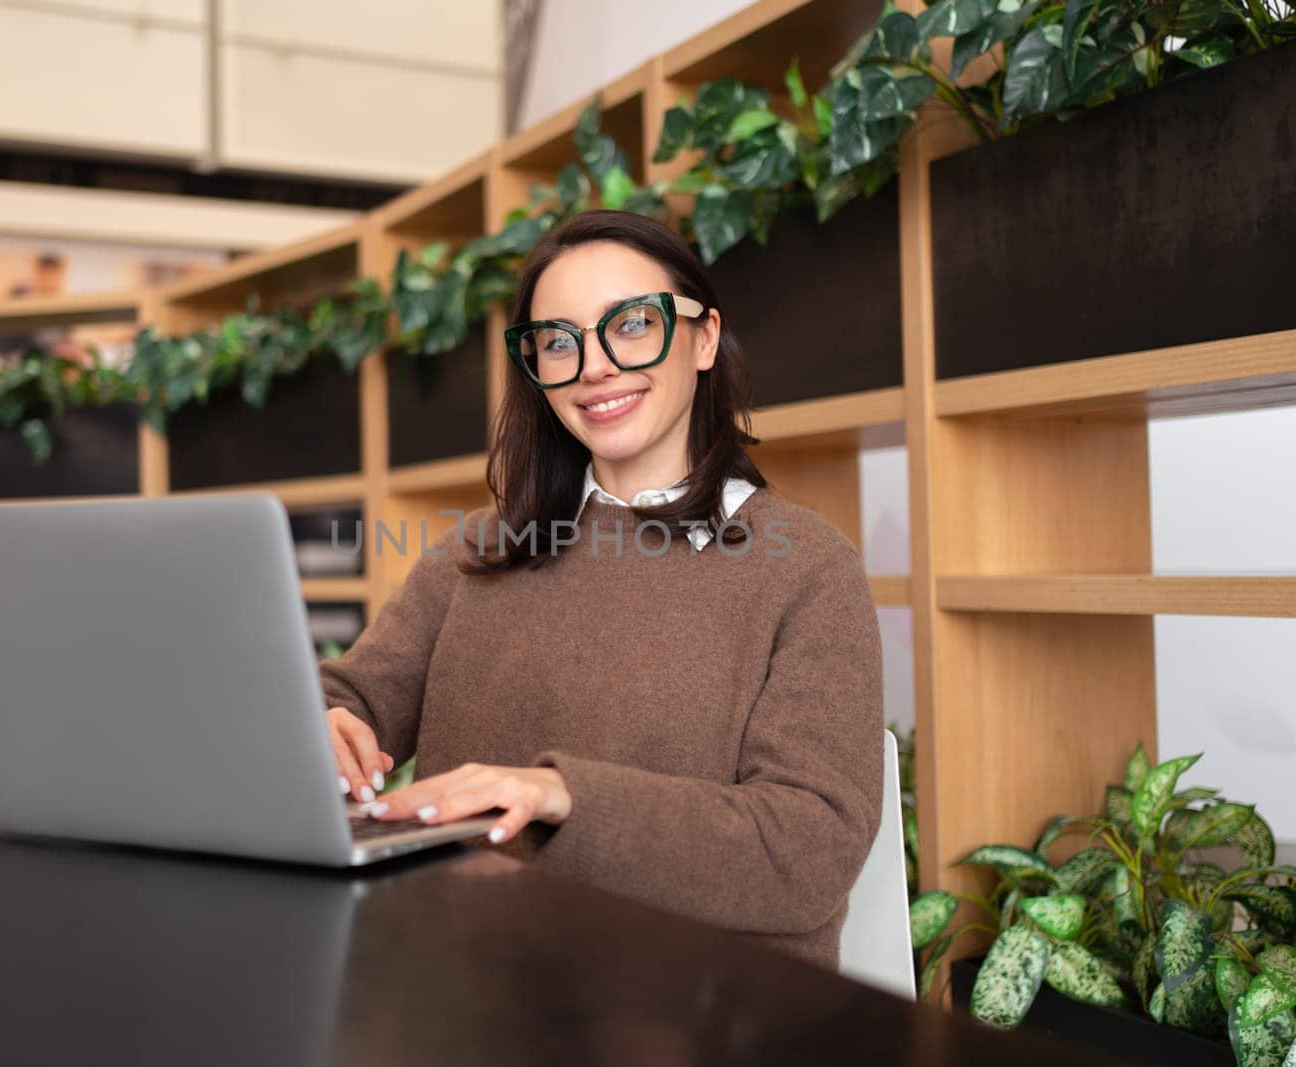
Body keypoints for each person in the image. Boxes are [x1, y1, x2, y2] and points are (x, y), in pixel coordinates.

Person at [319, 209, 884, 971]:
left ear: (705, 337)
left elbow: (807, 848)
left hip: (698, 1008)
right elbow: (352, 697)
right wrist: (325, 724)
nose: (594, 367)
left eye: (631, 324)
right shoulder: (484, 548)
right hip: (465, 978)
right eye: (559, 341)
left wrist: (561, 797)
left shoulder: (805, 566)